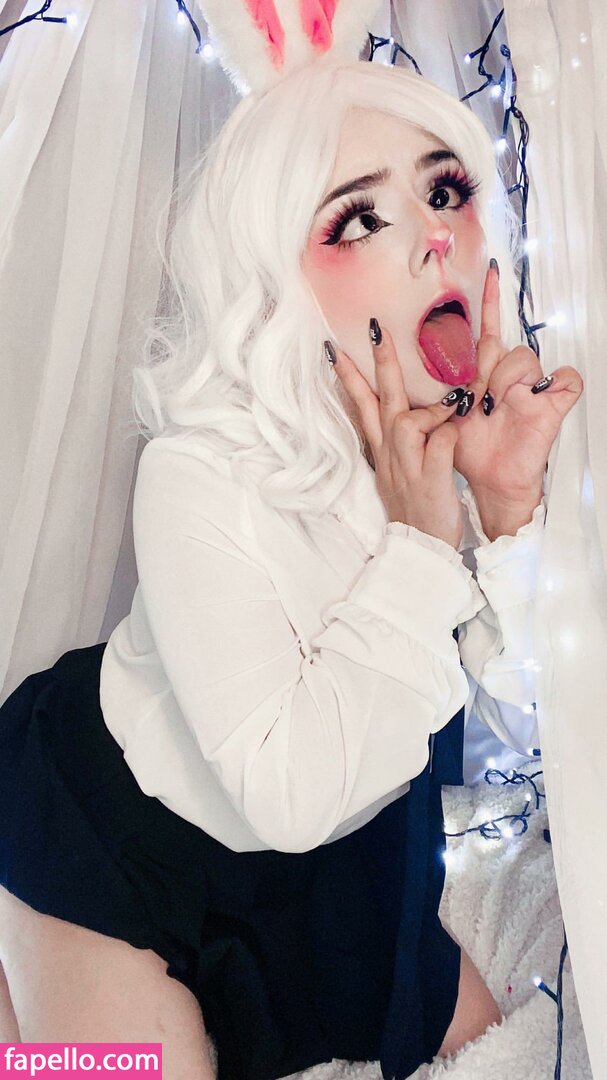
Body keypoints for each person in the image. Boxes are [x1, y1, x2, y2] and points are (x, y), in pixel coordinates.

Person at [0, 58, 583, 1080]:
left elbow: (525, 708)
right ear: (274, 278)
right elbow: (287, 797)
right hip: (122, 847)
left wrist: (502, 511)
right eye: (358, 220)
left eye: (445, 190)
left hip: (344, 872)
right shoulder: (195, 474)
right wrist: (420, 546)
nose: (433, 235)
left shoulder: (452, 443)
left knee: (503, 1050)